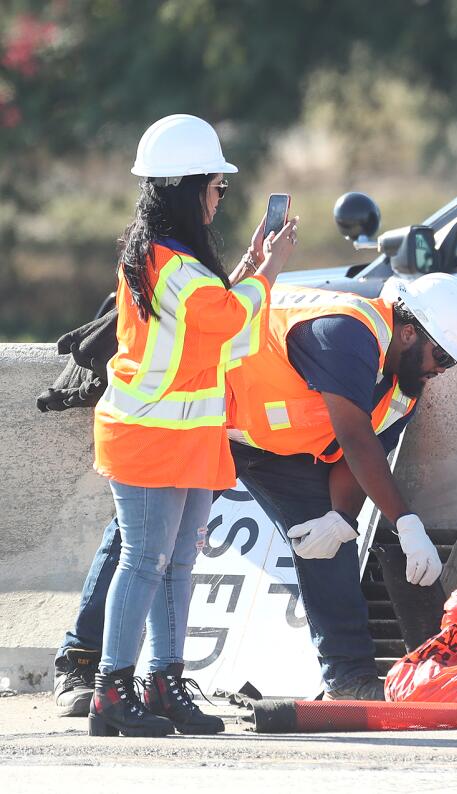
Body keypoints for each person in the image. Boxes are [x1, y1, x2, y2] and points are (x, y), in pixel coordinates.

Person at [54, 274, 457, 712]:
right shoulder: (347, 331)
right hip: (207, 420)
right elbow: (356, 438)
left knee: (327, 542)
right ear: (409, 332)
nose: (441, 370)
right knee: (142, 536)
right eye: (442, 356)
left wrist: (340, 517)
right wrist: (406, 523)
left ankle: (349, 677)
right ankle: (80, 662)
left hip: (274, 448)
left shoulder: (403, 390)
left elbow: (353, 460)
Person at [87, 114, 297, 737]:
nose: (218, 197)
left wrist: (250, 266)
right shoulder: (172, 263)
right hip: (151, 437)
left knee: (174, 563)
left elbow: (209, 321)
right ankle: (112, 690)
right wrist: (272, 269)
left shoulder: (169, 258)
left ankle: (162, 682)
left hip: (179, 437)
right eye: (216, 186)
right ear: (188, 186)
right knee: (147, 561)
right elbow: (229, 322)